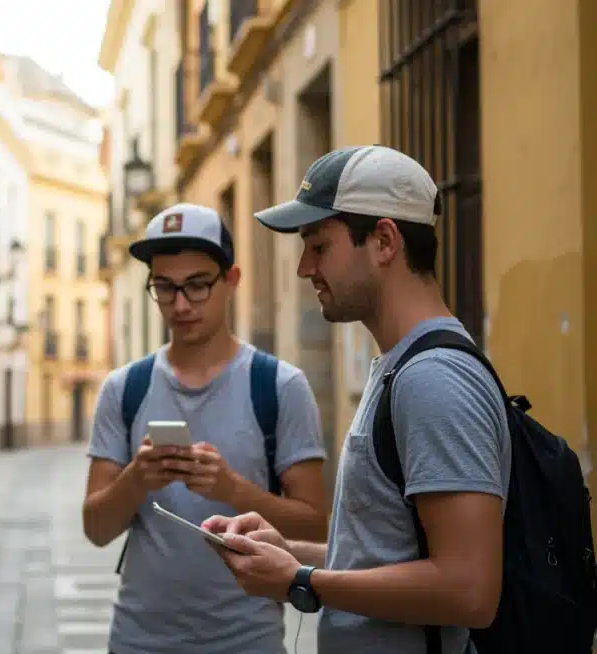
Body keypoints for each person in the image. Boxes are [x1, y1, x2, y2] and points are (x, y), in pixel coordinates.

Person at [204, 145, 510, 653]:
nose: (304, 268)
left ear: (385, 241)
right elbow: (390, 554)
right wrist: (290, 553)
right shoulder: (402, 366)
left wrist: (303, 581)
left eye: (319, 246)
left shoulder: (434, 378)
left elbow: (469, 589)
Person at [82, 203, 329, 653]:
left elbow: (315, 526)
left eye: (197, 285)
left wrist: (233, 489)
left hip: (247, 640)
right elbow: (96, 528)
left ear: (231, 281)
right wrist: (137, 477)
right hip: (139, 640)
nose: (180, 304)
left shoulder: (279, 386)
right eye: (164, 287)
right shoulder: (123, 389)